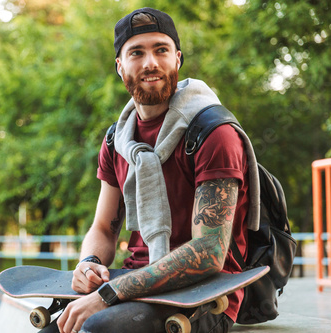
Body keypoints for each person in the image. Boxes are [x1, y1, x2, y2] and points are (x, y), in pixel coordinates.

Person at [42, 7, 256, 333]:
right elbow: (103, 227)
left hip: (204, 295)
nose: (150, 63)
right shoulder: (118, 140)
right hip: (133, 280)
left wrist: (110, 294)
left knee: (96, 328)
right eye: (136, 52)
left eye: (161, 50)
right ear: (120, 66)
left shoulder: (213, 133)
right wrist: (89, 264)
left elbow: (209, 252)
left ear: (178, 59)